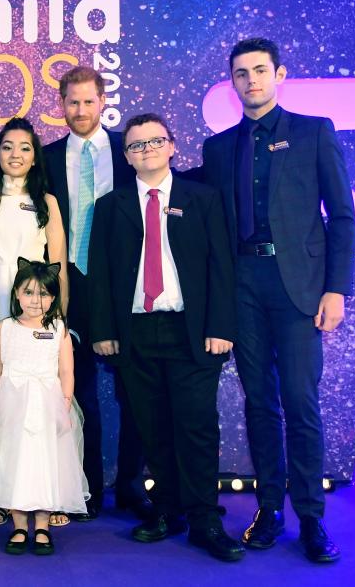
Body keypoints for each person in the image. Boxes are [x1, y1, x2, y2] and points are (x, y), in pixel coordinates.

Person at [199, 38, 355, 563]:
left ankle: (311, 516)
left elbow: (342, 216)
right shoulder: (218, 148)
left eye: (260, 71)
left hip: (298, 289)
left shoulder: (314, 133)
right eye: (241, 74)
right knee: (260, 403)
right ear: (232, 83)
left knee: (300, 401)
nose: (251, 81)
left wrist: (336, 288)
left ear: (280, 74)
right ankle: (270, 509)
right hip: (243, 285)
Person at [89, 113, 243, 562]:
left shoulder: (203, 199)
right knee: (153, 428)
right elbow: (101, 273)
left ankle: (204, 519)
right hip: (136, 333)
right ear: (127, 156)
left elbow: (222, 267)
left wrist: (220, 327)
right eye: (137, 145)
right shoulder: (111, 205)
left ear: (173, 146)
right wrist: (103, 331)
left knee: (195, 427)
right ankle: (168, 510)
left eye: (156, 141)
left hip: (192, 332)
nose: (147, 149)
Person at [41, 65, 149, 522]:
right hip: (72, 284)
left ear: (104, 102)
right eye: (72, 102)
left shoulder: (133, 151)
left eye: (89, 101)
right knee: (76, 390)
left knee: (135, 391)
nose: (81, 110)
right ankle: (84, 490)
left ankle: (130, 485)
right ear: (61, 105)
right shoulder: (44, 159)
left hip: (127, 284)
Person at [0, 117, 68, 523]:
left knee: (38, 402)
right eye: (8, 146)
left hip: (38, 310)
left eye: (25, 147)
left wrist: (58, 322)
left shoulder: (49, 203)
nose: (16, 155)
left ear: (35, 156)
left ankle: (46, 495)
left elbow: (57, 268)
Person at [0, 259, 88, 556]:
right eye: (28, 292)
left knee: (44, 465)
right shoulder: (7, 328)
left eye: (43, 294)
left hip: (47, 407)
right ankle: (18, 525)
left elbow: (67, 372)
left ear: (53, 298)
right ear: (16, 293)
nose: (35, 301)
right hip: (11, 407)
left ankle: (42, 526)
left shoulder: (59, 329)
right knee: (14, 464)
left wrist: (65, 405)